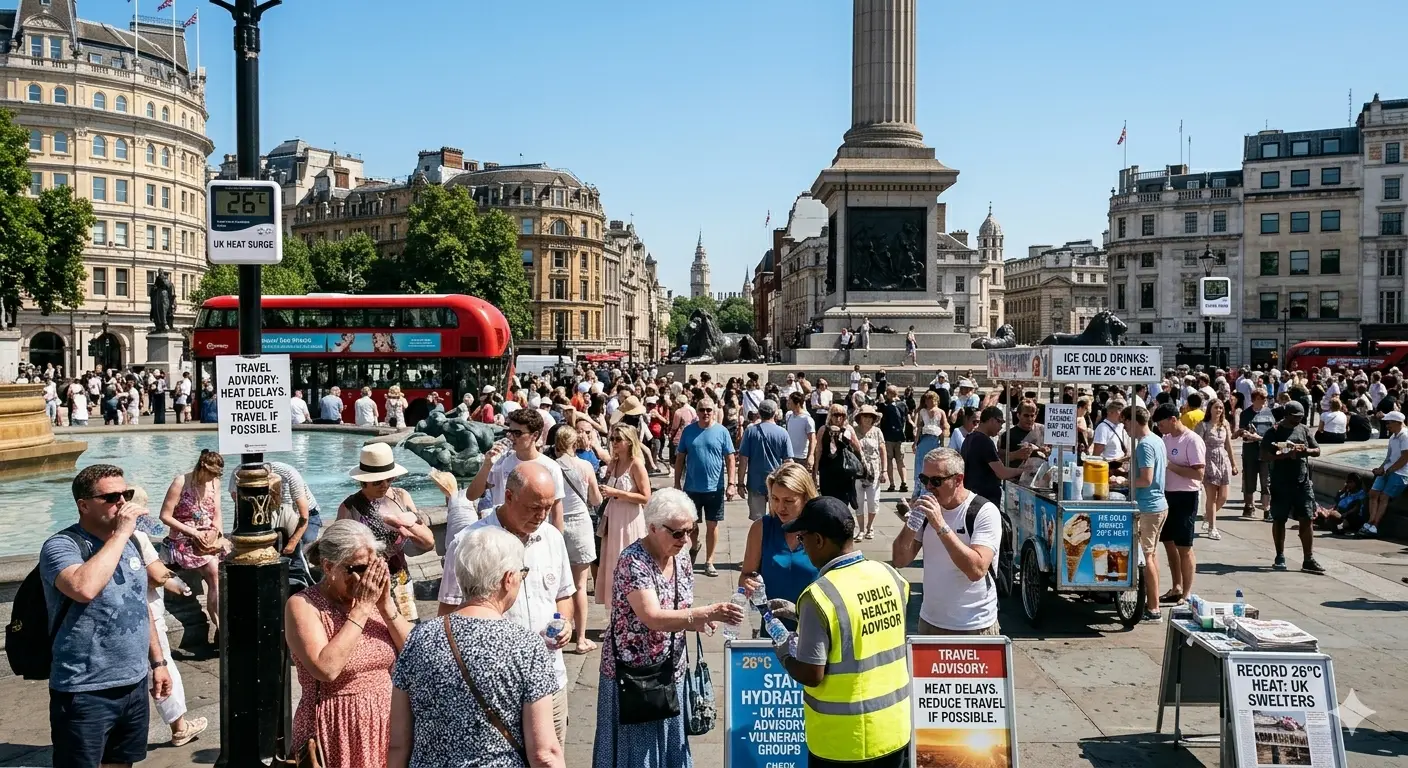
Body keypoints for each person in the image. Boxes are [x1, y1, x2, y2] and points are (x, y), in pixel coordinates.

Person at [594, 489, 746, 767]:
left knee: (669, 751)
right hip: (633, 676)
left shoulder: (682, 556)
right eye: (677, 533)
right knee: (636, 756)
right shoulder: (633, 561)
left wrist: (699, 621)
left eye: (689, 531)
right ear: (652, 528)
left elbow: (679, 608)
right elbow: (652, 616)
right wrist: (704, 613)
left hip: (669, 671)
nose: (685, 539)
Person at [390, 526, 565, 768]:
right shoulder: (526, 645)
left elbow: (398, 742)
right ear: (508, 579)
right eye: (521, 574)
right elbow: (544, 753)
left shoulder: (417, 639)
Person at [40, 465, 174, 768]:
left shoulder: (129, 544)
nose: (123, 503)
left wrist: (159, 662)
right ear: (84, 505)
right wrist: (123, 531)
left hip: (134, 683)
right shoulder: (61, 546)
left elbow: (139, 606)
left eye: (125, 494)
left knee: (121, 763)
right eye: (112, 497)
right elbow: (83, 588)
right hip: (85, 689)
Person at [438, 464, 576, 742]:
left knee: (550, 755)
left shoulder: (552, 538)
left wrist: (565, 623)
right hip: (493, 688)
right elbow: (448, 613)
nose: (542, 515)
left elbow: (563, 594)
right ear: (509, 496)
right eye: (534, 507)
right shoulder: (468, 543)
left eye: (548, 507)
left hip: (550, 681)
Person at [770, 496, 912, 767]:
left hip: (844, 741)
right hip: (893, 730)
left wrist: (784, 651)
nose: (803, 546)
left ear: (820, 540)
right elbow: (860, 625)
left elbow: (812, 674)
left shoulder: (818, 596)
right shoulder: (890, 576)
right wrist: (804, 617)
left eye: (803, 539)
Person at [286, 519, 412, 768]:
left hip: (387, 724)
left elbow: (415, 651)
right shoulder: (303, 605)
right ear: (329, 566)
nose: (368, 577)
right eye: (359, 568)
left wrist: (386, 608)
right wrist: (363, 609)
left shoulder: (375, 600)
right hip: (336, 728)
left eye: (373, 566)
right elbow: (326, 669)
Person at [893, 448, 1002, 636]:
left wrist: (941, 526)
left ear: (958, 480)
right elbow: (899, 560)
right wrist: (912, 522)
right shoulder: (928, 511)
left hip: (974, 625)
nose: (928, 487)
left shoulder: (984, 511)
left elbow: (976, 570)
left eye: (936, 481)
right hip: (930, 622)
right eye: (924, 479)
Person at [338, 444, 437, 591]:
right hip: (368, 580)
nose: (384, 485)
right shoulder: (350, 507)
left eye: (389, 479)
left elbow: (428, 543)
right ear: (363, 481)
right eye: (378, 481)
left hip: (400, 576)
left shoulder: (401, 496)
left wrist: (398, 521)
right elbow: (338, 550)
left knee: (407, 614)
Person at [739, 464, 820, 631]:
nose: (780, 507)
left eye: (788, 501)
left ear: (806, 497)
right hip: (773, 630)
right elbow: (745, 576)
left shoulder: (821, 530)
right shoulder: (761, 529)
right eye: (775, 499)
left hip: (816, 630)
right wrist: (748, 585)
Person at [158, 449, 226, 639]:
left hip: (208, 536)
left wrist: (216, 531)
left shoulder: (215, 483)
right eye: (211, 473)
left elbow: (217, 513)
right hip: (183, 537)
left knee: (224, 569)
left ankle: (222, 627)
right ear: (202, 467)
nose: (213, 478)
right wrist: (194, 532)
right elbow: (165, 516)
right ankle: (220, 626)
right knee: (214, 571)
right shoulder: (181, 481)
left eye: (217, 475)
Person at [549, 426, 602, 652]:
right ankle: (580, 639)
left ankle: (556, 635)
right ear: (574, 443)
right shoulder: (585, 466)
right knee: (580, 586)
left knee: (556, 586)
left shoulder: (549, 465)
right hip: (580, 525)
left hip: (555, 526)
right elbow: (596, 499)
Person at [468, 408, 566, 529]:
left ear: (534, 435)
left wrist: (557, 544)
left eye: (517, 433)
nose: (511, 437)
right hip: (501, 531)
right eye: (510, 432)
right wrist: (487, 464)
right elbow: (471, 495)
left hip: (533, 533)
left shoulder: (550, 467)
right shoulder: (501, 461)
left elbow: (556, 512)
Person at [674, 397, 738, 576]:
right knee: (691, 526)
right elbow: (680, 458)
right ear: (697, 411)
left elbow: (730, 458)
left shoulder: (721, 431)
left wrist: (731, 483)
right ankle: (694, 546)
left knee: (712, 525)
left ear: (714, 411)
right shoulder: (688, 431)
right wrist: (676, 482)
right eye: (702, 410)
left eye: (709, 410)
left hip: (714, 488)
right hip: (692, 487)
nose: (705, 413)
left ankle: (709, 560)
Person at [1260, 401, 1324, 573]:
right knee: (1279, 519)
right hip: (1280, 482)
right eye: (1295, 417)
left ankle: (1308, 558)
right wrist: (1283, 455)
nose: (1298, 420)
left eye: (1300, 417)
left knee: (1307, 518)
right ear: (1286, 415)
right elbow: (1264, 454)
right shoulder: (1274, 431)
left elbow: (1317, 450)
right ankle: (1279, 555)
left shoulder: (1303, 430)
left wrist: (1305, 451)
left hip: (1302, 482)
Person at [1153, 404, 1205, 603]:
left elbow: (1198, 473)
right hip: (1165, 494)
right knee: (1169, 544)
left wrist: (1171, 466)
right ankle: (1176, 586)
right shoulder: (1164, 439)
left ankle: (1187, 592)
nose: (1159, 427)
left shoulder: (1192, 440)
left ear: (1173, 419)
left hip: (1186, 495)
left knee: (1184, 546)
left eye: (1162, 423)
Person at [597, 423, 652, 604]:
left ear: (629, 442)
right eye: (612, 438)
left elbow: (646, 497)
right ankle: (615, 613)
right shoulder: (614, 462)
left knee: (629, 566)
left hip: (630, 520)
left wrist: (617, 493)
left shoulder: (636, 464)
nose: (614, 442)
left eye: (618, 439)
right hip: (613, 520)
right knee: (613, 564)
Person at [738, 399, 792, 522]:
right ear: (775, 413)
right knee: (778, 517)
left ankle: (760, 540)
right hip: (776, 482)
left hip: (755, 482)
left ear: (759, 413)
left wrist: (740, 483)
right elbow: (788, 461)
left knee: (758, 521)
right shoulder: (782, 433)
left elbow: (743, 459)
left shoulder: (751, 431)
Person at [959, 406, 1025, 506]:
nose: (1001, 426)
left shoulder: (969, 438)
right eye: (1000, 422)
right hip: (984, 500)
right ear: (992, 420)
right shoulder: (984, 441)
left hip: (972, 496)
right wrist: (1023, 471)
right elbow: (1002, 473)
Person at [1196, 399, 1237, 541]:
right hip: (1209, 460)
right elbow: (1197, 445)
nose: (1219, 410)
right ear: (1210, 409)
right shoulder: (1203, 425)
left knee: (1224, 496)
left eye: (1221, 408)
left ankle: (1208, 516)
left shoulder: (1225, 424)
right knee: (1211, 497)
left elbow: (1229, 445)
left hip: (1223, 460)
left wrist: (1233, 463)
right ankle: (1212, 527)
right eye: (1216, 407)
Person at [1364, 410, 1408, 537]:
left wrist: (1389, 470)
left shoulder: (1405, 436)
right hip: (1389, 470)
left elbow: (1405, 457)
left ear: (1398, 423)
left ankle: (1375, 525)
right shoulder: (1393, 437)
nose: (1387, 426)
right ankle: (1370, 521)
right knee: (1373, 493)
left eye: (1389, 423)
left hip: (1401, 473)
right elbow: (1388, 458)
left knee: (1384, 496)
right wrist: (1381, 468)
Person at [1237, 388, 1276, 520]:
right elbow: (1243, 432)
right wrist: (1244, 434)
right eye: (1263, 398)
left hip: (1266, 452)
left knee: (1267, 482)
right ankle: (1249, 506)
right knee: (1249, 479)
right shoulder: (1245, 413)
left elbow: (1273, 433)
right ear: (1256, 399)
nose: (1266, 400)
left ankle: (1267, 509)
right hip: (1250, 452)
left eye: (1266, 398)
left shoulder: (1269, 413)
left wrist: (1258, 437)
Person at [852, 404, 888, 540]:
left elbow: (883, 451)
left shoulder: (877, 432)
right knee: (858, 501)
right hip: (858, 471)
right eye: (864, 416)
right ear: (860, 418)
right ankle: (860, 529)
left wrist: (884, 471)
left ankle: (870, 526)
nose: (867, 419)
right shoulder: (854, 431)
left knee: (873, 501)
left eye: (870, 417)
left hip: (874, 470)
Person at [911, 390, 947, 500]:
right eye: (928, 400)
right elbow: (919, 428)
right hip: (924, 439)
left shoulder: (941, 412)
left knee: (933, 464)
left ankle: (931, 488)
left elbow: (944, 426)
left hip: (935, 439)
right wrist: (915, 442)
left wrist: (943, 442)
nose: (930, 402)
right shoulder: (922, 411)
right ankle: (919, 488)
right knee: (920, 464)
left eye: (932, 399)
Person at [877, 387, 909, 493]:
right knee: (900, 461)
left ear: (890, 394)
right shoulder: (903, 404)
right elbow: (906, 417)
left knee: (890, 460)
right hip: (899, 437)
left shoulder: (886, 405)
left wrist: (881, 401)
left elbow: (881, 411)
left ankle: (892, 484)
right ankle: (903, 482)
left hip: (888, 436)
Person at [1092, 400, 1129, 472]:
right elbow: (1097, 453)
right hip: (1109, 467)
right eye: (1120, 412)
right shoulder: (1103, 428)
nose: (1122, 416)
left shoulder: (1121, 426)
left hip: (1123, 465)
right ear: (1110, 412)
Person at [784, 391, 818, 469]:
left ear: (798, 404)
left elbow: (813, 440)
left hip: (802, 457)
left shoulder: (807, 419)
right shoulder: (789, 416)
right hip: (790, 456)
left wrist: (811, 456)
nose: (787, 403)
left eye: (790, 402)